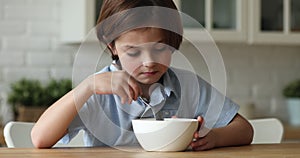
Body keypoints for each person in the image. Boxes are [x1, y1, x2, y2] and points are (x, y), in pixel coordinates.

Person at [31, 0, 253, 151]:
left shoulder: (188, 85)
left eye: (160, 49)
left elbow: (244, 129)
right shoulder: (98, 92)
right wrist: (87, 86)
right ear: (113, 47)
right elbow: (40, 138)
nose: (149, 62)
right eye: (133, 52)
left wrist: (213, 138)